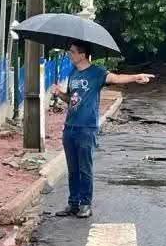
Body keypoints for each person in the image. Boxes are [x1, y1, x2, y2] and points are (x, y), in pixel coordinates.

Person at [53, 42, 155, 219]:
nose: (70, 54)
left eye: (72, 52)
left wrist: (136, 76)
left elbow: (116, 78)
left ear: (82, 55)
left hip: (87, 128)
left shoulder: (97, 73)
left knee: (85, 168)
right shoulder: (73, 73)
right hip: (70, 127)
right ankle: (73, 203)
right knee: (73, 169)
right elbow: (72, 100)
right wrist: (60, 93)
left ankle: (85, 204)